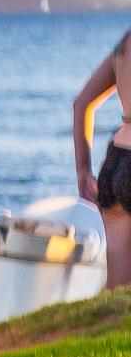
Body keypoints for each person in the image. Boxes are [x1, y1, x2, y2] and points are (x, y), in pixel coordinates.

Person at [76, 27, 131, 289]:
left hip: (116, 160)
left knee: (117, 291)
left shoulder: (124, 44)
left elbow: (82, 103)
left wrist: (83, 171)